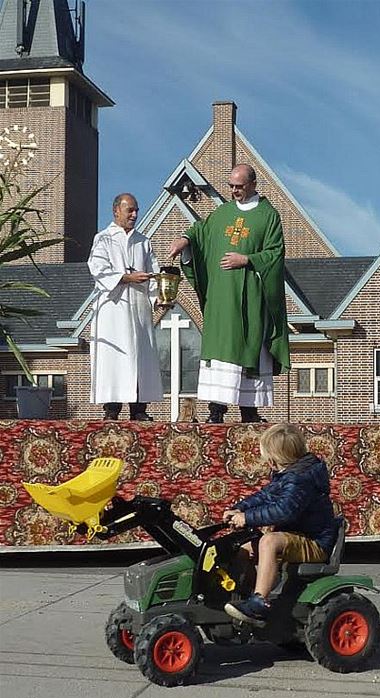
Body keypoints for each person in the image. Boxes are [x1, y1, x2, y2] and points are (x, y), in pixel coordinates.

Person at [169, 163, 290, 424]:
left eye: (239, 186)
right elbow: (200, 231)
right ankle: (216, 410)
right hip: (222, 299)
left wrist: (246, 259)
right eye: (231, 186)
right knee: (221, 348)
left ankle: (249, 410)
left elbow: (275, 254)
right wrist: (185, 240)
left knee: (248, 346)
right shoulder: (222, 213)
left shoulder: (268, 216)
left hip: (250, 297)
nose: (234, 191)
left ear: (253, 184)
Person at [222, 423, 337, 626]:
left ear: (276, 458)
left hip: (314, 542)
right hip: (296, 536)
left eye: (268, 456)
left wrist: (247, 518)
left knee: (269, 542)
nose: (267, 461)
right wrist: (239, 508)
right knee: (242, 550)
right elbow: (266, 495)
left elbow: (284, 510)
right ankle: (245, 595)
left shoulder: (300, 479)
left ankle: (259, 603)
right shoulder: (289, 473)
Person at [88, 193, 165, 421]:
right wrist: (126, 278)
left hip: (139, 309)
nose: (134, 215)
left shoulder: (143, 241)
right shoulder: (103, 239)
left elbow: (153, 272)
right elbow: (97, 269)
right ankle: (112, 409)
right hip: (114, 309)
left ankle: (139, 409)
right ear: (116, 211)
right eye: (130, 210)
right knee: (115, 357)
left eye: (136, 210)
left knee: (140, 356)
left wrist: (158, 297)